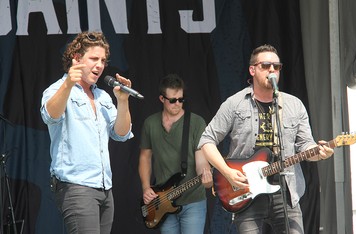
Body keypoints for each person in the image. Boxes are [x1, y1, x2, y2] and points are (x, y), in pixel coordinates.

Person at [198, 44, 334, 234]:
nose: (272, 70)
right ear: (252, 70)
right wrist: (227, 172)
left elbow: (305, 145)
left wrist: (319, 154)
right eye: (265, 65)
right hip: (245, 191)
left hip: (286, 191)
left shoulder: (294, 105)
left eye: (276, 66)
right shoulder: (234, 104)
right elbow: (206, 140)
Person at [40, 31, 134, 234]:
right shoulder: (56, 89)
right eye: (93, 58)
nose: (99, 65)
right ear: (77, 59)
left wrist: (123, 101)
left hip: (105, 187)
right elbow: (50, 116)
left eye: (102, 60)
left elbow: (121, 134)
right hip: (76, 187)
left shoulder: (102, 97)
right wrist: (68, 84)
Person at [138, 74, 213, 234]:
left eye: (181, 99)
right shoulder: (150, 123)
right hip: (163, 201)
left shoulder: (196, 122)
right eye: (172, 100)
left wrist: (206, 176)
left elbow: (201, 159)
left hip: (193, 200)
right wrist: (146, 188)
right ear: (161, 99)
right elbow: (145, 158)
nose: (177, 103)